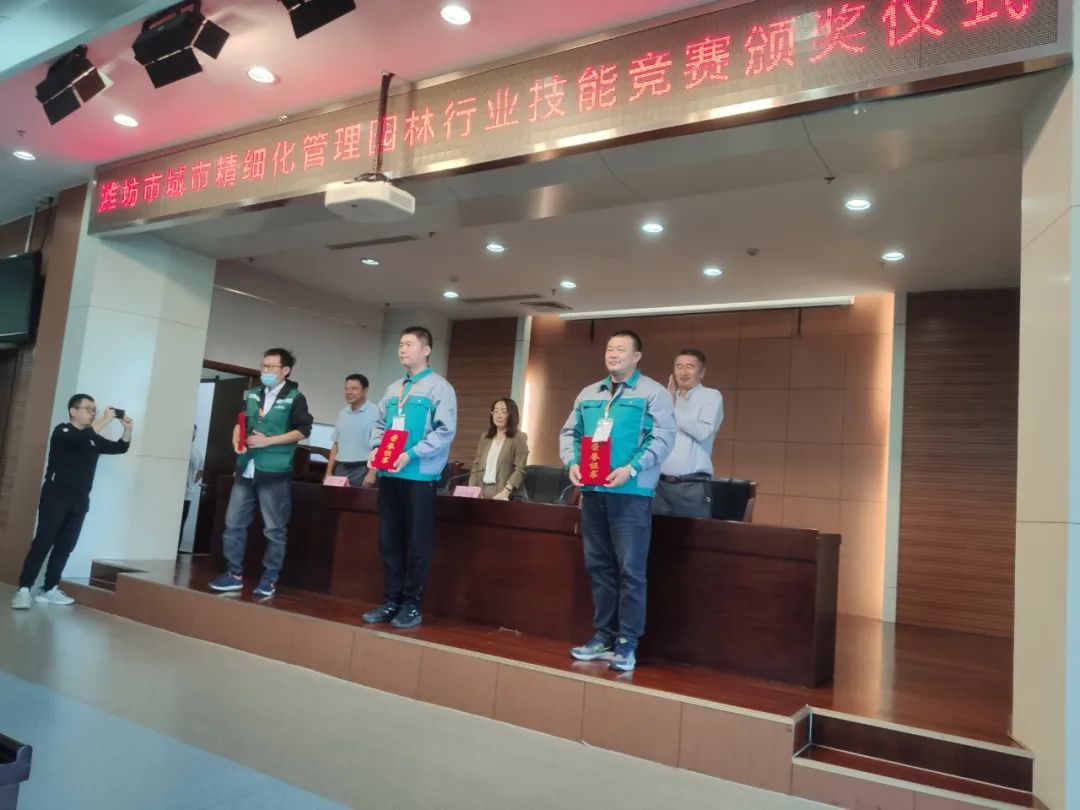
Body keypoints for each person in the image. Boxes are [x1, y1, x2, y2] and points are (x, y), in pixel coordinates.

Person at [559, 330, 674, 672]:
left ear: (637, 356)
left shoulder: (653, 393)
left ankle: (627, 643)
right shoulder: (589, 393)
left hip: (631, 494)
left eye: (621, 349)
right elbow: (571, 433)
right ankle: (603, 636)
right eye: (610, 348)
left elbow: (662, 438)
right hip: (594, 492)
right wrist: (572, 463)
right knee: (599, 567)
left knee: (630, 571)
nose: (613, 354)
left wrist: (632, 468)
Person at [362, 326, 457, 629]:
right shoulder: (393, 389)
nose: (402, 349)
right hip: (390, 475)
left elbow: (444, 432)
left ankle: (412, 606)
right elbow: (379, 424)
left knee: (417, 544)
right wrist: (376, 448)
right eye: (400, 344)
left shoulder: (440, 388)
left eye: (409, 345)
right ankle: (391, 601)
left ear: (426, 350)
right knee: (389, 541)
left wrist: (412, 453)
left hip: (419, 476)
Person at [209, 348, 313, 599]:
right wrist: (237, 438)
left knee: (274, 528)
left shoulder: (295, 398)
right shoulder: (253, 394)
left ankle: (270, 577)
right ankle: (233, 573)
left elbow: (303, 430)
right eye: (263, 366)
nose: (265, 371)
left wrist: (269, 441)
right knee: (233, 523)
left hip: (274, 471)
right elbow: (241, 421)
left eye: (270, 367)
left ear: (285, 370)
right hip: (247, 468)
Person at [11, 394, 133, 609]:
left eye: (94, 409)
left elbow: (120, 447)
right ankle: (24, 590)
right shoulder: (63, 432)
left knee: (65, 545)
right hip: (56, 496)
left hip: (79, 500)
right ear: (73, 411)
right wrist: (105, 419)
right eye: (88, 408)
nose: (93, 412)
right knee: (43, 542)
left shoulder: (93, 438)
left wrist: (128, 429)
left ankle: (49, 589)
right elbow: (81, 438)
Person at [653, 349, 724, 519]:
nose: (683, 372)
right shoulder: (665, 398)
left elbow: (702, 432)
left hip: (692, 485)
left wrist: (671, 407)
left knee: (693, 535)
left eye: (690, 367)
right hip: (659, 485)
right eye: (679, 366)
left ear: (702, 372)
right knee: (657, 535)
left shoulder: (711, 396)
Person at [468, 397, 529, 499]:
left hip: (506, 494)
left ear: (512, 415)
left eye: (504, 412)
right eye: (495, 412)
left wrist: (506, 491)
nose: (499, 416)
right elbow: (476, 465)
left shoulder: (519, 438)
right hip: (482, 492)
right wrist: (473, 489)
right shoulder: (485, 437)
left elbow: (520, 469)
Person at [324, 373, 378, 487]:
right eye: (346, 389)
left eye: (354, 389)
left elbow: (379, 446)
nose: (349, 392)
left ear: (365, 390)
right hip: (340, 468)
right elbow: (336, 445)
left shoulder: (376, 412)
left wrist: (372, 472)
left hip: (363, 468)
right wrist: (328, 472)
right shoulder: (342, 413)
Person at [180, 425, 204, 548]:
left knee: (176, 524)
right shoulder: (198, 453)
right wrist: (192, 482)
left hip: (185, 493)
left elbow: (201, 471)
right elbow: (201, 471)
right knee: (180, 524)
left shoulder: (193, 452)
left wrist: (191, 482)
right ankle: (176, 551)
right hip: (187, 493)